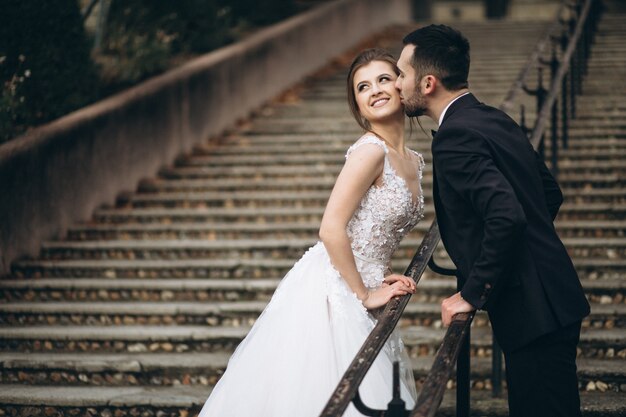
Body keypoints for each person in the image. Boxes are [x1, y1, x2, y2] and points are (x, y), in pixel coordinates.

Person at [198, 48, 423, 417]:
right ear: (358, 105)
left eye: (383, 79)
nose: (375, 90)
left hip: (359, 275)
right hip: (332, 290)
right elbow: (331, 228)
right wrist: (365, 291)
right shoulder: (370, 151)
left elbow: (369, 232)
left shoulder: (413, 159)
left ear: (401, 86)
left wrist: (377, 274)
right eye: (362, 87)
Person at [394, 24, 590, 417]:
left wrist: (471, 292)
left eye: (402, 73)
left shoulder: (455, 137)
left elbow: (506, 215)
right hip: (551, 297)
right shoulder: (491, 118)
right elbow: (549, 193)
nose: (398, 84)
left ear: (428, 82)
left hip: (534, 311)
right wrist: (528, 256)